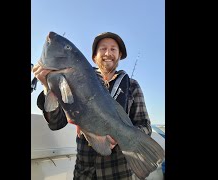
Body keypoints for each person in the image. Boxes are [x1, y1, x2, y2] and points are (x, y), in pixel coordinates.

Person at [33, 32, 153, 180]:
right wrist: (47, 87)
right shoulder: (70, 79)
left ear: (119, 55)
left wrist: (123, 135)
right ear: (94, 56)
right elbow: (56, 122)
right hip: (84, 172)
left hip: (118, 173)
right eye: (102, 49)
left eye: (113, 49)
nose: (108, 53)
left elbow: (145, 126)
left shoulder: (132, 86)